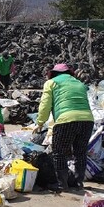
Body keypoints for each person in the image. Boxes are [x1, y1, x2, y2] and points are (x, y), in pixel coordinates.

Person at [34, 63, 94, 192]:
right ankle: (78, 183)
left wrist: (40, 122)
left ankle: (62, 185)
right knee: (80, 152)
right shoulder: (79, 83)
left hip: (66, 120)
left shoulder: (51, 83)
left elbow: (45, 105)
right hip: (87, 120)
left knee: (59, 152)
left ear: (53, 73)